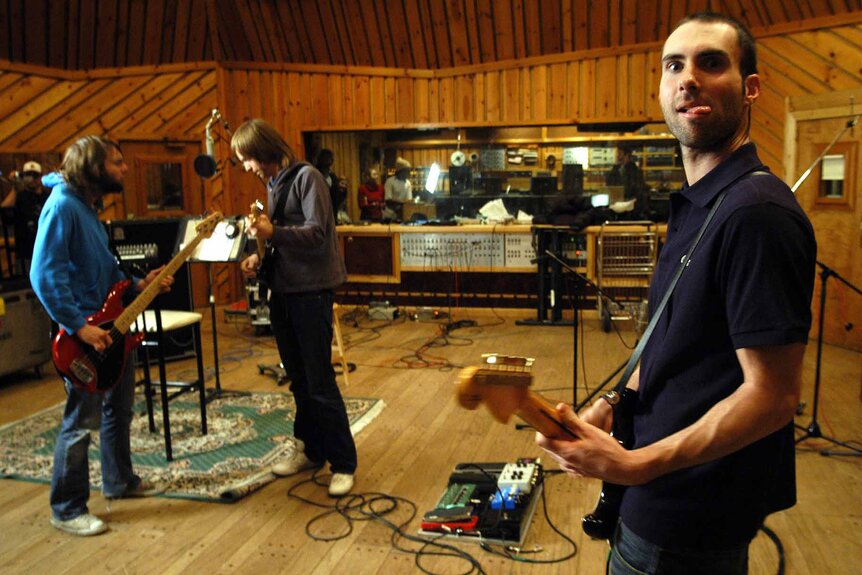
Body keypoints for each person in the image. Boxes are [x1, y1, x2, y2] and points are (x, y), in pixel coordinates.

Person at [536, 12, 816, 574]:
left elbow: (772, 397)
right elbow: (672, 338)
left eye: (711, 62)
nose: (688, 77)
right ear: (662, 90)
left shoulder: (755, 213)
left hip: (689, 509)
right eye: (674, 65)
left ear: (750, 88)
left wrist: (636, 465)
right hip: (659, 491)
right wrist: (616, 405)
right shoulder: (703, 203)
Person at [30, 136, 172, 537]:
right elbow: (44, 275)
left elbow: (104, 272)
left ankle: (120, 482)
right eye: (117, 162)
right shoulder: (61, 207)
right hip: (84, 338)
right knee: (81, 422)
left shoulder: (87, 210)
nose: (125, 169)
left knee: (119, 410)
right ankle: (67, 507)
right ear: (93, 168)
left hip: (111, 330)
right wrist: (79, 327)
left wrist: (138, 284)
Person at [233, 119, 357, 497]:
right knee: (299, 379)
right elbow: (283, 239)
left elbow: (319, 233)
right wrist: (260, 257)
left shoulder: (308, 178)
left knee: (319, 381)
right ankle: (310, 449)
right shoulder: (273, 184)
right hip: (285, 293)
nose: (245, 167)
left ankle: (344, 463)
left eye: (246, 159)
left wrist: (273, 233)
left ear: (263, 150)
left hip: (310, 293)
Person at [2, 161, 48, 274]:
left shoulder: (48, 197)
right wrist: (15, 188)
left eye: (35, 175)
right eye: (28, 175)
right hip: (25, 254)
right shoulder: (20, 196)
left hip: (46, 252)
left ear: (41, 176)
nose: (32, 179)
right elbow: (4, 211)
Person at [314, 148, 348, 219]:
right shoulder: (314, 173)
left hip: (332, 213)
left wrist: (343, 190)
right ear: (321, 159)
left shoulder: (332, 176)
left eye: (331, 158)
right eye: (328, 158)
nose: (330, 160)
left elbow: (337, 198)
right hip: (318, 212)